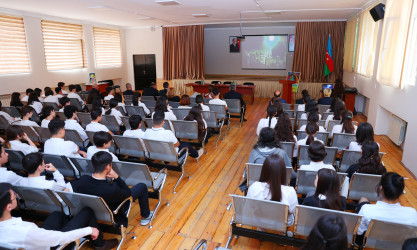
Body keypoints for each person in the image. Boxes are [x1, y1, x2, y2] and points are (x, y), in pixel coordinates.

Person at [0, 182, 118, 250]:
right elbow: (62, 237)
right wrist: (89, 229)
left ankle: (77, 227)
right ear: (8, 207)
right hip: (51, 245)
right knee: (87, 211)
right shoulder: (26, 231)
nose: (16, 196)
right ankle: (100, 244)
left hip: (36, 239)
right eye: (14, 196)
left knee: (57, 215)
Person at [71, 151, 154, 226]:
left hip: (92, 211)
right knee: (142, 186)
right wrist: (117, 178)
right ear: (108, 166)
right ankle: (145, 216)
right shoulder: (112, 189)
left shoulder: (83, 180)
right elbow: (128, 193)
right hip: (114, 211)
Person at [355, 172, 417, 243]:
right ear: (401, 192)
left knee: (363, 199)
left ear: (381, 188)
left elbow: (359, 232)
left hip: (370, 243)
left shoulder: (367, 209)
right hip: (399, 244)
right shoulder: (412, 213)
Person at [246, 154, 298, 226]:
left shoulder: (254, 186)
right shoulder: (290, 191)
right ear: (283, 172)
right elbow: (292, 210)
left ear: (264, 170)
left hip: (259, 221)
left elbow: (250, 204)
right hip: (282, 224)